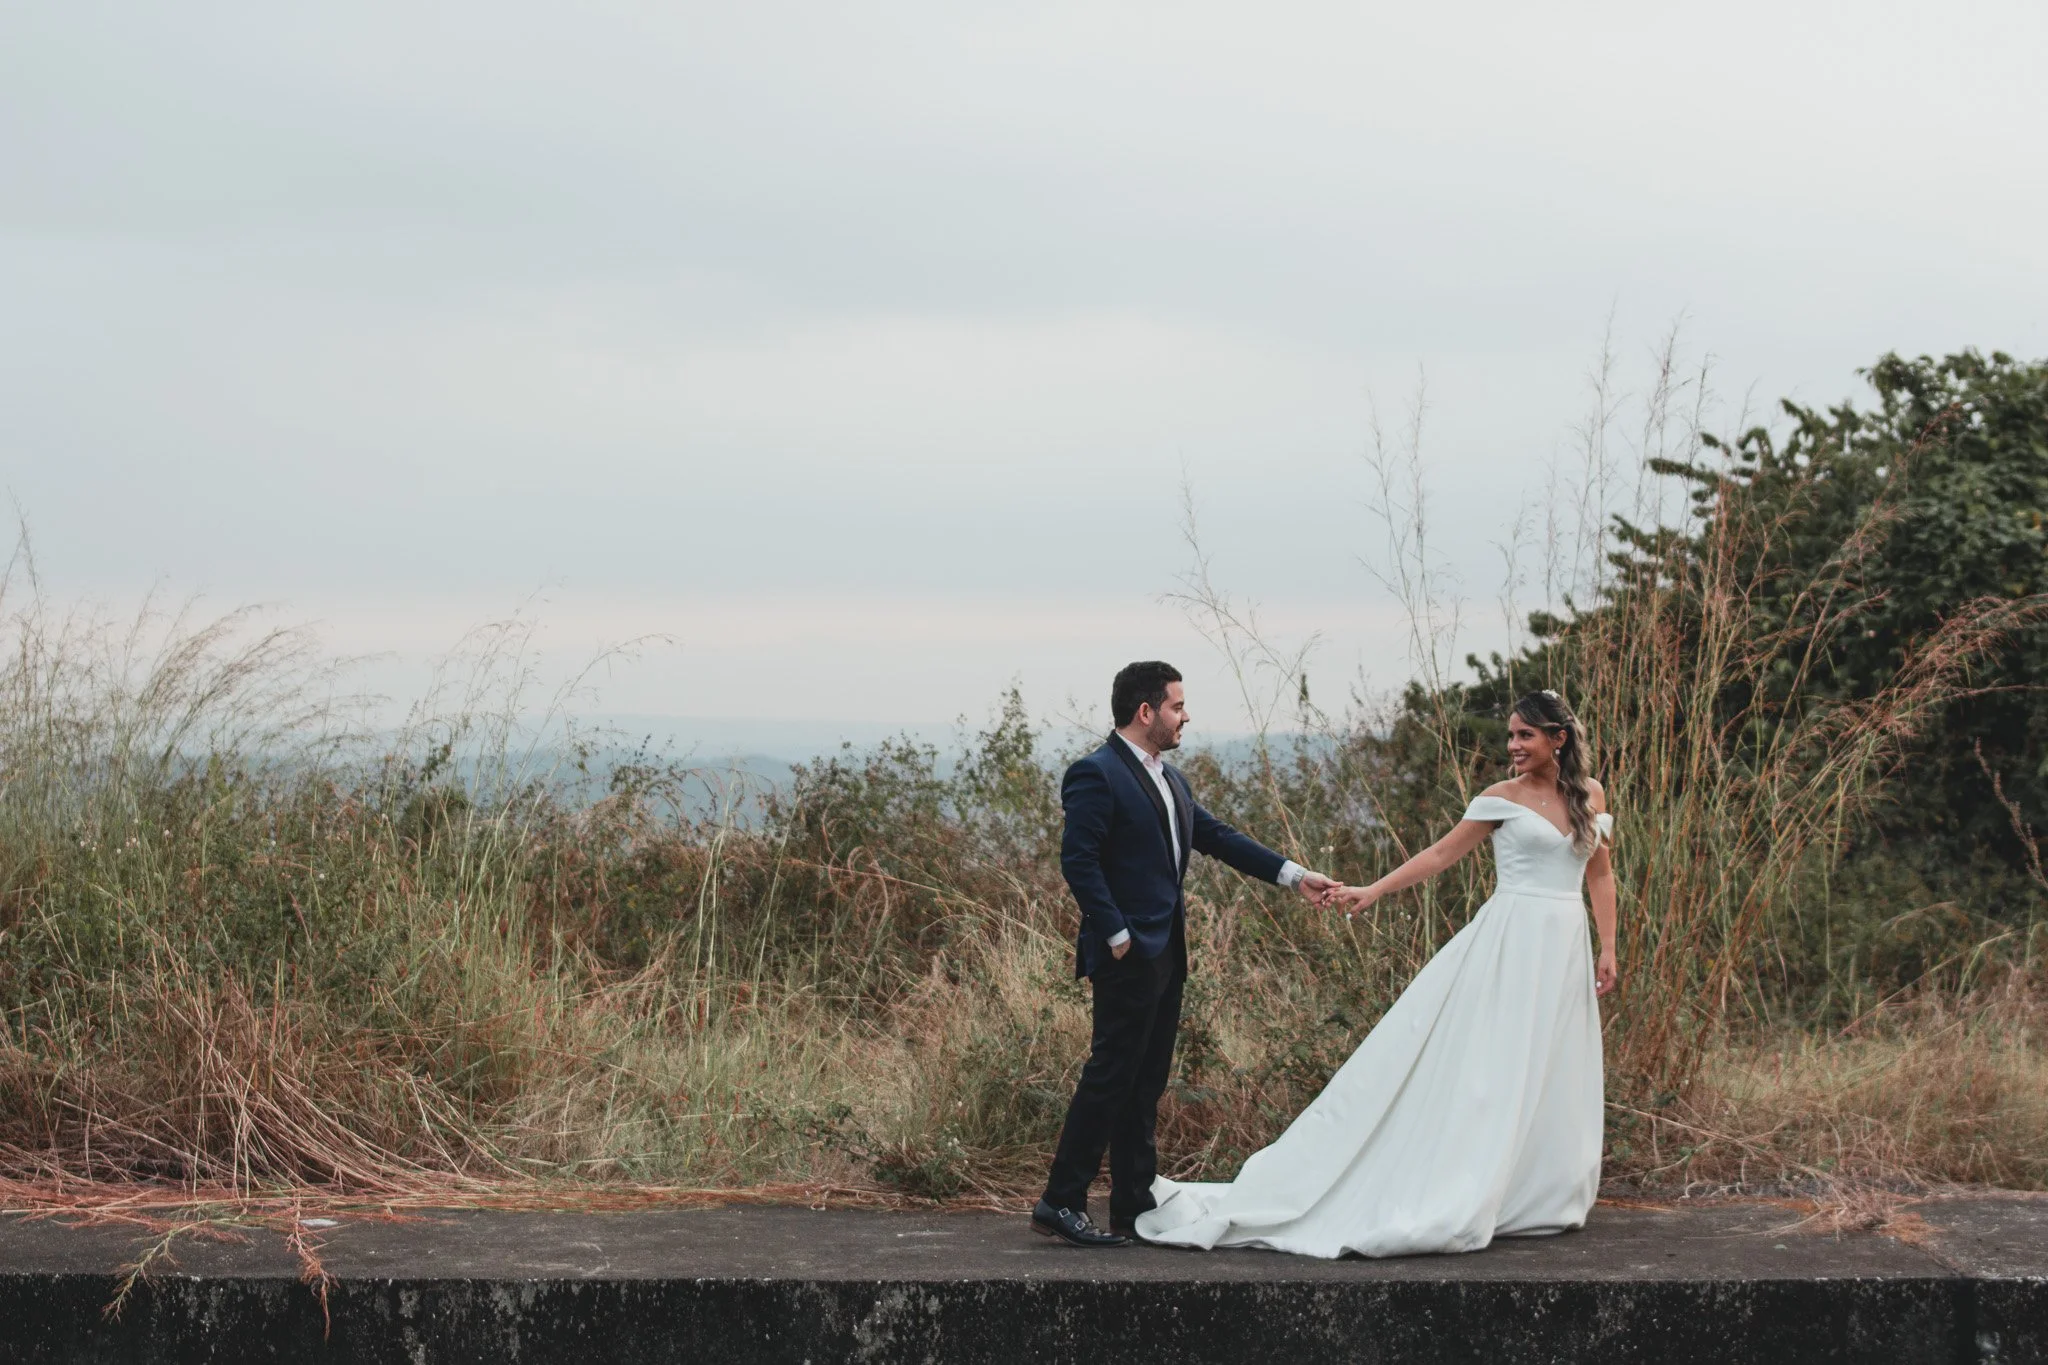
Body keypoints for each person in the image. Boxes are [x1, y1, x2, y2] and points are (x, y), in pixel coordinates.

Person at [1134, 688, 1618, 1258]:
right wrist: (1373, 890)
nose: (1512, 745)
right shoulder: (1499, 798)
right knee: (1497, 1062)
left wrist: (1607, 946)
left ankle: (1539, 1191)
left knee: (1552, 1058)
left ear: (1557, 739)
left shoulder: (1590, 795)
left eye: (1525, 736)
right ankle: (1469, 1182)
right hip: (1511, 941)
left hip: (1563, 943)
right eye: (1510, 735)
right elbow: (1439, 856)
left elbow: (1600, 874)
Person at [1031, 661, 1341, 1248]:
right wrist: (1118, 935)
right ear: (1145, 712)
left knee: (1144, 1080)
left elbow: (1217, 836)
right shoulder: (1095, 774)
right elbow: (1080, 861)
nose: (1185, 715)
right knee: (1109, 1076)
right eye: (1177, 705)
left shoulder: (1170, 780)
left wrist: (1293, 875)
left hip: (1168, 951)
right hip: (1127, 953)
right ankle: (1060, 1200)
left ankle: (1132, 1198)